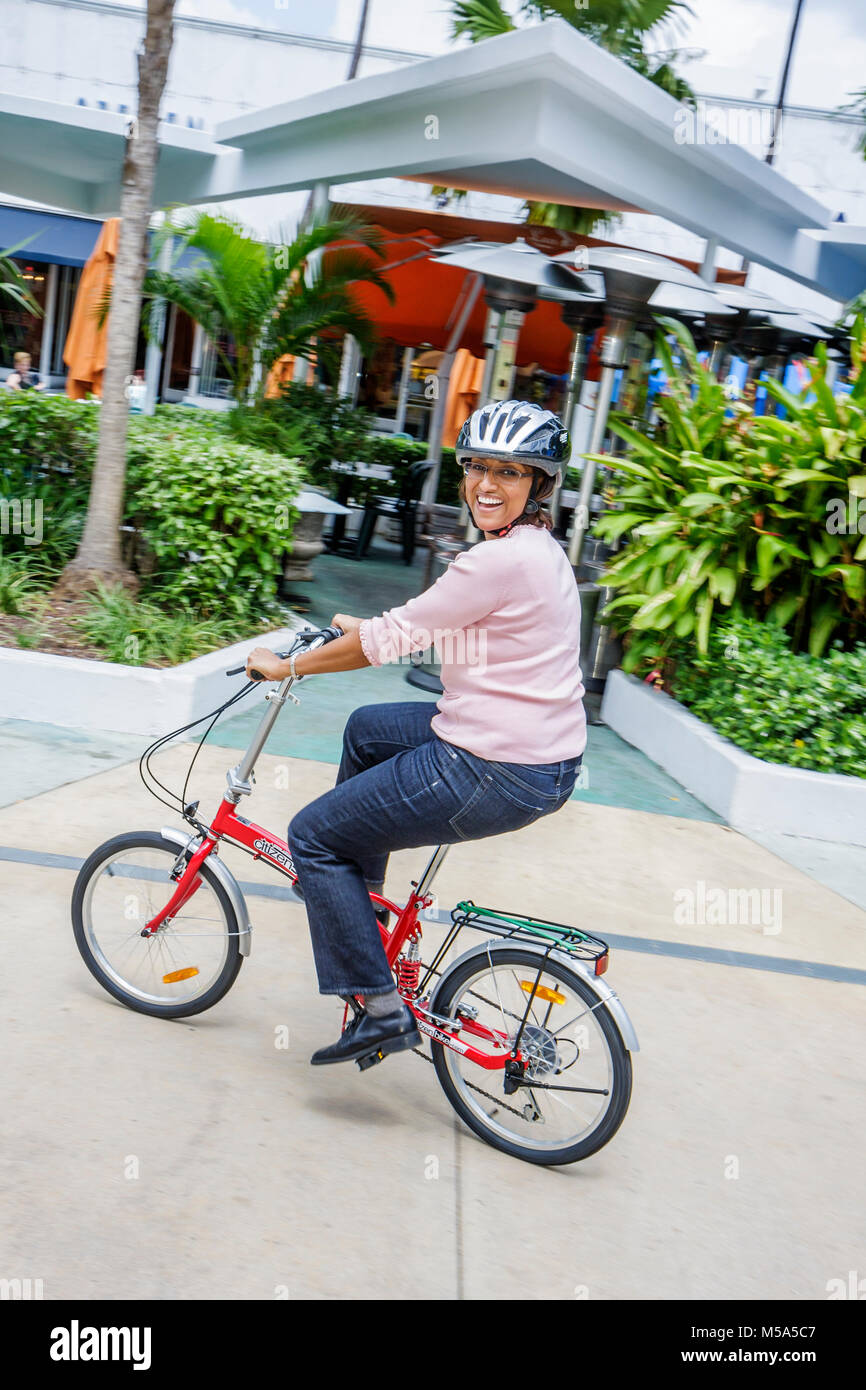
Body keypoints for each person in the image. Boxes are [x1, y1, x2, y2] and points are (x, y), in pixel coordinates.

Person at [245, 399, 586, 1067]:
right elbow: (430, 621)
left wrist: (288, 666)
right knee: (369, 729)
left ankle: (379, 1009)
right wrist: (361, 630)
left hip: (493, 766)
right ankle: (361, 910)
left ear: (538, 484)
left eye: (509, 473)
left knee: (313, 838)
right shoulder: (535, 549)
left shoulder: (499, 561)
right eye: (477, 468)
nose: (487, 485)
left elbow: (390, 642)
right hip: (535, 753)